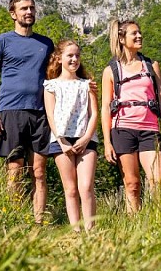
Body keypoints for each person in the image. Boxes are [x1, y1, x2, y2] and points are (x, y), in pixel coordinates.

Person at [0, 0, 55, 224]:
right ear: (13, 14)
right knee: (14, 169)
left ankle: (38, 223)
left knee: (39, 172)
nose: (29, 12)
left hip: (41, 113)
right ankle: (14, 220)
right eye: (24, 8)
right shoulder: (2, 42)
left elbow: (56, 77)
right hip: (11, 112)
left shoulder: (46, 44)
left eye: (32, 8)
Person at [100, 19, 161, 213]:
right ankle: (135, 223)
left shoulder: (151, 66)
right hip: (122, 130)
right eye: (134, 33)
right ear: (122, 39)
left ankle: (159, 220)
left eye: (140, 33)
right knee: (132, 185)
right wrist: (107, 142)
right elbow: (105, 107)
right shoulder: (111, 71)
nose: (139, 36)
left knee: (158, 182)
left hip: (150, 129)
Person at [43, 39, 99, 231]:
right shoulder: (51, 86)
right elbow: (50, 115)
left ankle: (91, 230)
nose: (74, 59)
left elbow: (94, 114)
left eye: (77, 55)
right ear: (59, 58)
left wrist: (86, 138)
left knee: (86, 186)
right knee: (71, 189)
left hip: (86, 138)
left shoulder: (87, 84)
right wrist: (62, 141)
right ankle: (76, 230)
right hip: (61, 140)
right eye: (70, 55)